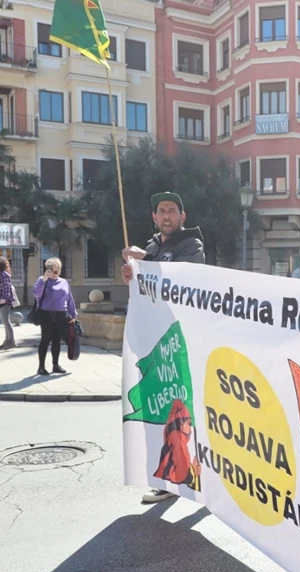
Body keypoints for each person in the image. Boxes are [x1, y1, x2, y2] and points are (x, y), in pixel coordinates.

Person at [121, 191, 205, 504]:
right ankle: (168, 477)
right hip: (156, 346)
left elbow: (180, 279)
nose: (166, 215)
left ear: (183, 216)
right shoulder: (153, 245)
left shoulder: (191, 246)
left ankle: (202, 471)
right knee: (162, 415)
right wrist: (132, 276)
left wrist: (144, 262)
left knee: (188, 412)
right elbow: (146, 286)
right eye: (161, 211)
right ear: (155, 218)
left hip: (182, 344)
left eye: (172, 210)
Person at [32, 257, 77, 376]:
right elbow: (36, 293)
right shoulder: (43, 280)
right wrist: (44, 279)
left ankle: (55, 365)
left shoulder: (64, 282)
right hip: (46, 314)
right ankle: (41, 367)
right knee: (45, 340)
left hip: (60, 315)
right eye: (51, 270)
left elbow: (69, 298)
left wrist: (73, 313)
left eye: (56, 271)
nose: (54, 273)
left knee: (57, 340)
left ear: (60, 271)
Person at [0, 257, 17, 350]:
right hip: (1, 301)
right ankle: (7, 341)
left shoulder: (4, 275)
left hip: (4, 302)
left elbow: (6, 287)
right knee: (5, 321)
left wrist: (3, 298)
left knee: (6, 321)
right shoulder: (2, 274)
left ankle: (11, 341)